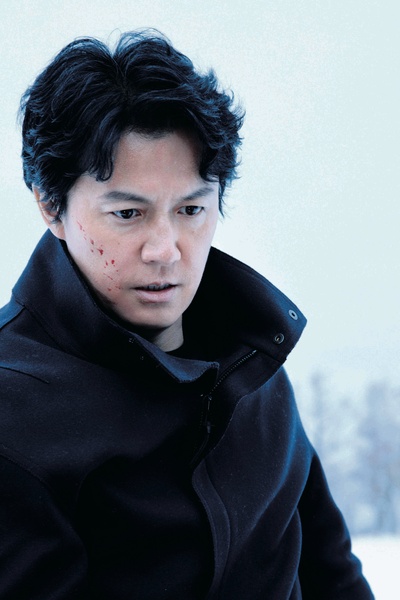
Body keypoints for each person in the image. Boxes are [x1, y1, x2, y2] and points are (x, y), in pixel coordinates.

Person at [0, 30, 373, 599]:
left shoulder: (254, 361)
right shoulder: (13, 410)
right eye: (128, 214)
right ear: (51, 206)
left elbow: (332, 571)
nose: (165, 249)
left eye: (192, 209)